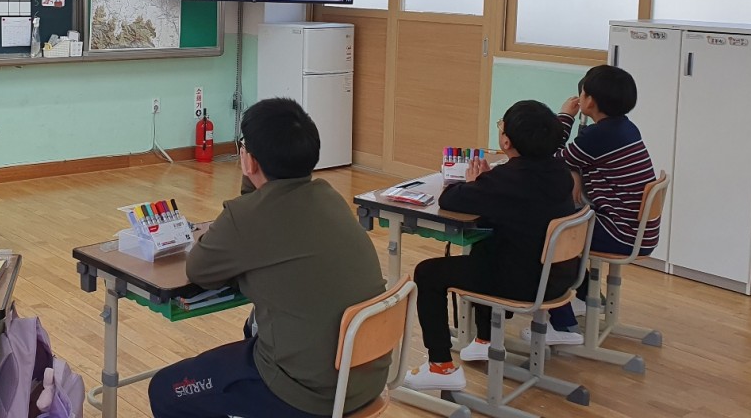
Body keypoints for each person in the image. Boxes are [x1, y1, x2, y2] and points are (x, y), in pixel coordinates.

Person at [147, 98, 388, 418]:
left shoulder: (245, 218)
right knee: (252, 330)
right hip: (365, 379)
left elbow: (199, 269)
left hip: (309, 393)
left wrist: (248, 179)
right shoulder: (329, 196)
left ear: (249, 161)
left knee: (166, 389)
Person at [403, 100, 578, 392]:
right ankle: (485, 339)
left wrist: (474, 183)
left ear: (506, 141)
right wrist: (486, 183)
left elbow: (450, 199)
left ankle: (440, 366)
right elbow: (513, 204)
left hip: (525, 283)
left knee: (427, 272)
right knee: (486, 247)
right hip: (559, 275)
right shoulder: (559, 170)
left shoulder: (507, 179)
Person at [536, 64, 659, 344]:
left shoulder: (599, 136)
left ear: (589, 101)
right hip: (637, 230)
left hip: (621, 233)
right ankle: (583, 296)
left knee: (551, 234)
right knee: (567, 220)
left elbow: (551, 159)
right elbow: (576, 161)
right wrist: (576, 172)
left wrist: (565, 116)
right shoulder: (624, 128)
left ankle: (561, 324)